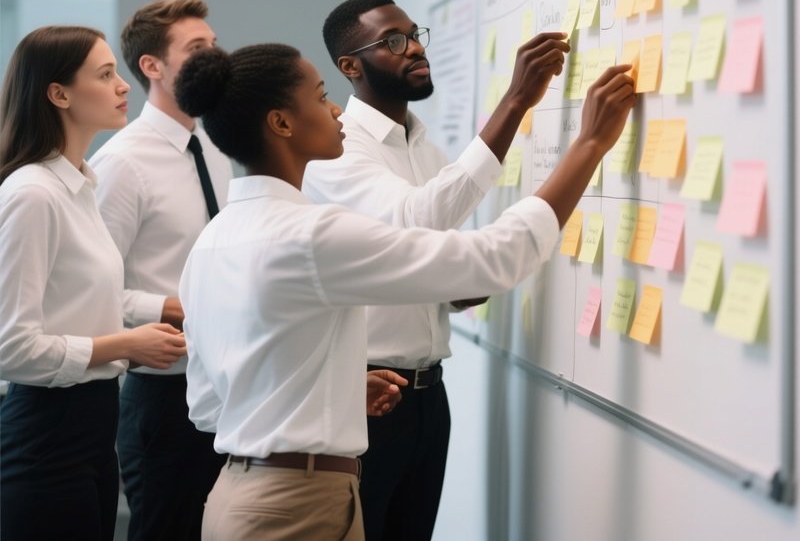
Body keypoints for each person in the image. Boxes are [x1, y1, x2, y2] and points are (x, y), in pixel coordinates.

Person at [174, 41, 634, 541]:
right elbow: (493, 259)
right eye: (322, 96)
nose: (336, 110)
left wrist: (338, 392)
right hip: (297, 506)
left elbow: (207, 405)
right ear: (282, 124)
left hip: (236, 498)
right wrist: (589, 144)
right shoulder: (309, 235)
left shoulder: (212, 241)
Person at [302, 0, 570, 540]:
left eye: (414, 34)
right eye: (393, 42)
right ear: (349, 67)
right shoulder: (337, 150)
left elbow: (414, 259)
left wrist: (452, 292)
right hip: (367, 395)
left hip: (429, 396)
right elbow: (413, 222)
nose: (416, 48)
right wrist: (515, 102)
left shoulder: (422, 145)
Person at [0, 26, 187, 541]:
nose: (123, 86)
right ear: (58, 94)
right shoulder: (33, 194)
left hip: (92, 429)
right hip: (46, 435)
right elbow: (12, 350)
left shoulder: (81, 186)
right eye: (105, 75)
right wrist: (129, 343)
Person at [89, 0, 233, 541]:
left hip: (225, 383)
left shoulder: (216, 147)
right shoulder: (122, 163)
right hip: (161, 395)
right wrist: (170, 309)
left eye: (214, 45)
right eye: (197, 49)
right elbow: (94, 292)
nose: (214, 57)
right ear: (152, 66)